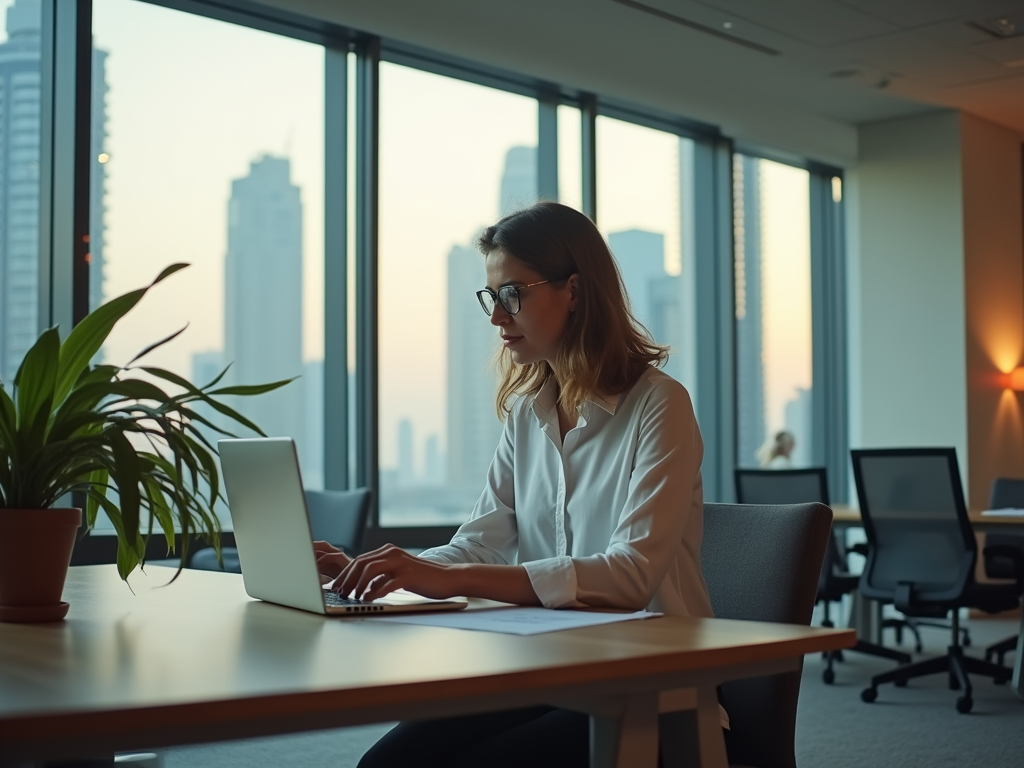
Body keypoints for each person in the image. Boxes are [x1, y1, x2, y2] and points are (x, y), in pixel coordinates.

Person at [314, 201, 717, 768]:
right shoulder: (528, 414)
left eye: (512, 295)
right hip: (548, 669)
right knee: (384, 765)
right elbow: (478, 542)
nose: (498, 317)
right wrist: (387, 569)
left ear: (573, 291)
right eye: (491, 298)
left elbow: (629, 577)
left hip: (646, 684)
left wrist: (445, 576)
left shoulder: (660, 405)